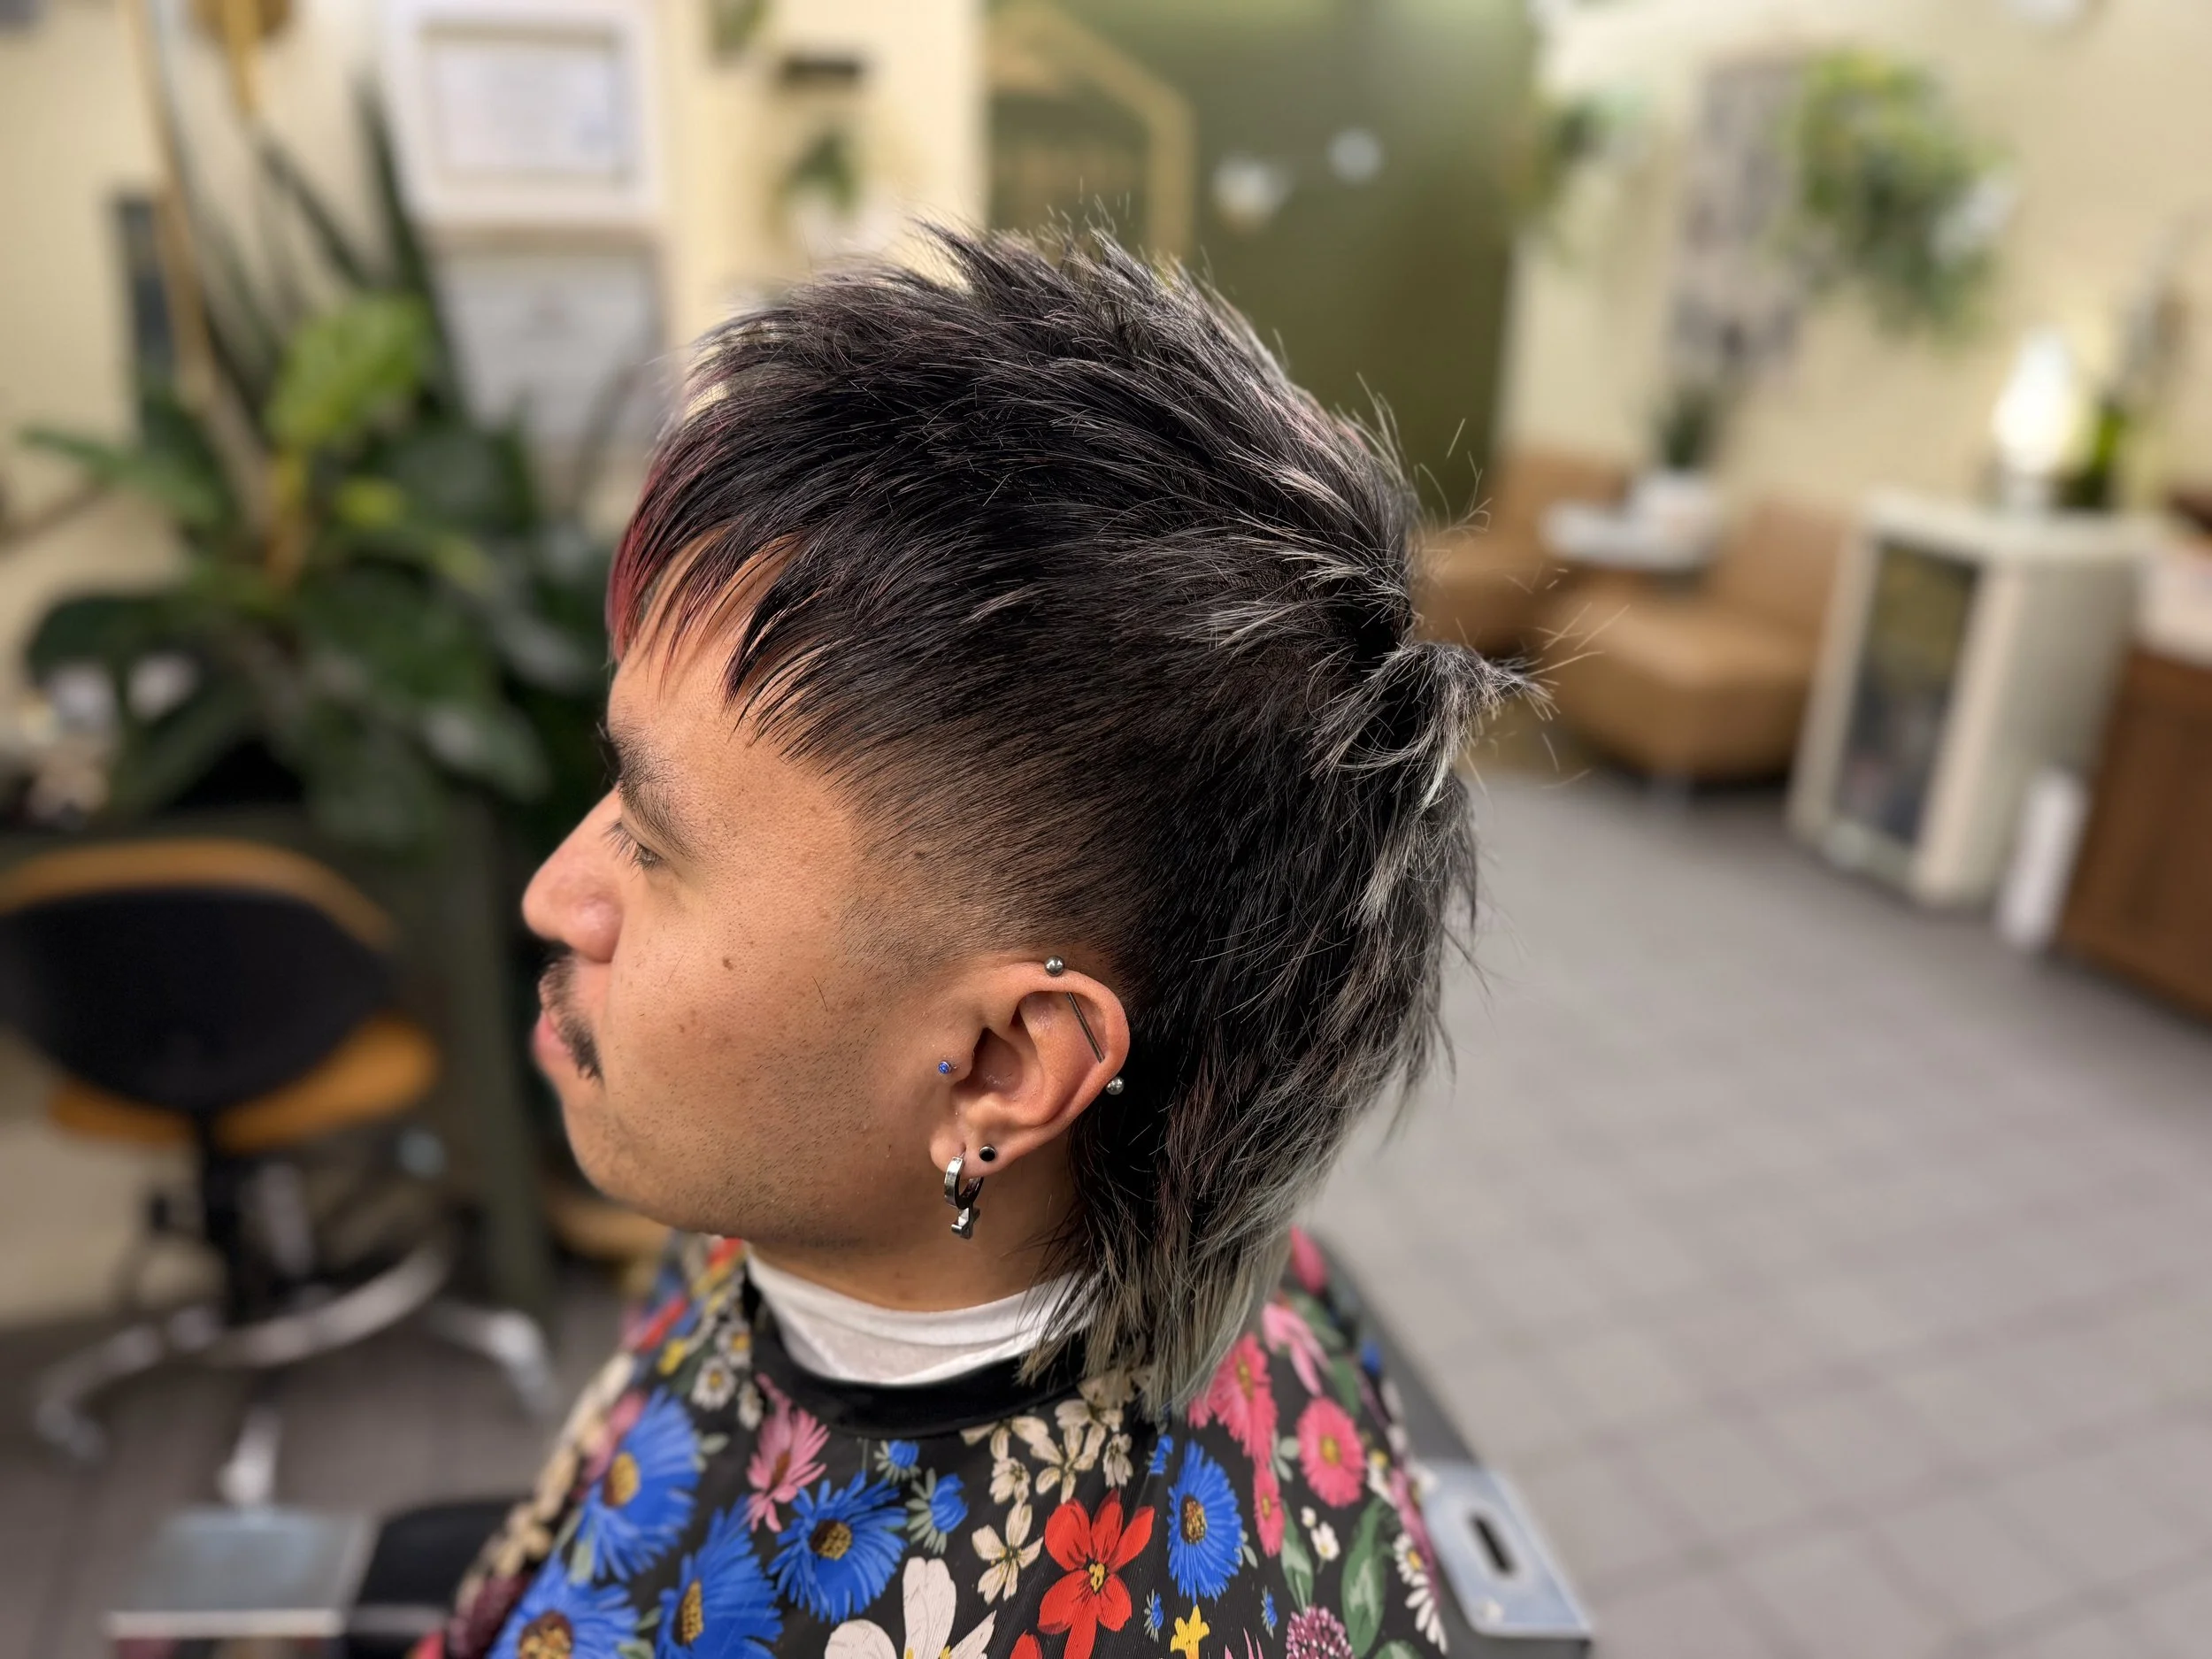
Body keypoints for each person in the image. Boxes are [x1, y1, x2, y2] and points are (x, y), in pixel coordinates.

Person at [426, 229, 1509, 1659]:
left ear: (999, 1067)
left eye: (654, 840)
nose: (557, 894)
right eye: (615, 781)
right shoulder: (831, 1198)